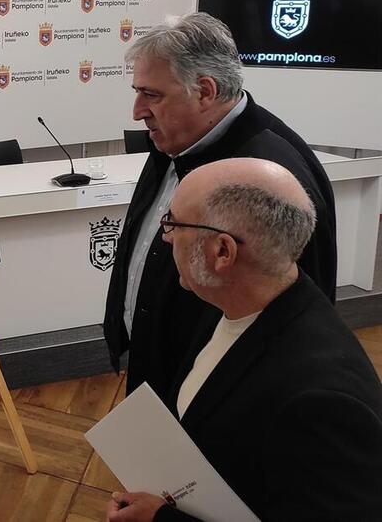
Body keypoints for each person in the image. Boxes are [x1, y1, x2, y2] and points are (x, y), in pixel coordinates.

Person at [107, 158, 382, 521]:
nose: (166, 236)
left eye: (173, 223)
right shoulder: (232, 304)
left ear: (222, 252)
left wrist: (161, 519)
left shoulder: (322, 401)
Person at [102, 12, 336, 397]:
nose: (137, 111)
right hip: (160, 369)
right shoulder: (176, 139)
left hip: (215, 395)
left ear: (205, 91)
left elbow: (292, 317)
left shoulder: (271, 176)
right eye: (137, 91)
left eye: (152, 95)